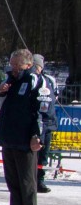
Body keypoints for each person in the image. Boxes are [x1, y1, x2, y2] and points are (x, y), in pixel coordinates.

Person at [0, 49, 43, 205]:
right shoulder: (9, 80)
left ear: (28, 65)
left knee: (26, 181)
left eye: (17, 65)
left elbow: (43, 111)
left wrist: (37, 135)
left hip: (25, 140)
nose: (13, 68)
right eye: (12, 64)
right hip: (8, 138)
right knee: (12, 181)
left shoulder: (34, 81)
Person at [31, 54, 58, 193]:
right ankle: (29, 181)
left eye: (38, 66)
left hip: (48, 123)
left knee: (44, 154)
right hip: (34, 122)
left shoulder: (50, 80)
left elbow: (54, 97)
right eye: (33, 66)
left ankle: (40, 180)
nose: (36, 69)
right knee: (32, 154)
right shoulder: (30, 79)